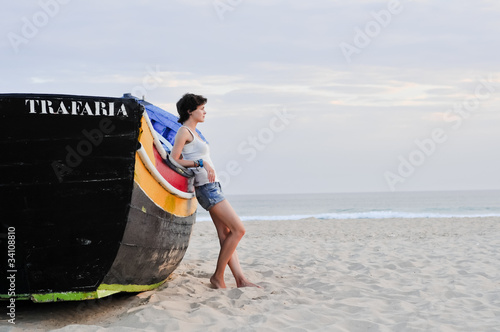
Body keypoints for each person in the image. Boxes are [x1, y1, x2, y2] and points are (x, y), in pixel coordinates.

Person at [170, 93, 258, 289]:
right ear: (189, 111)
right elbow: (174, 159)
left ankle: (240, 280)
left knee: (226, 233)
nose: (204, 111)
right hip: (207, 189)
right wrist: (199, 162)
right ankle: (218, 276)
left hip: (213, 186)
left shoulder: (196, 133)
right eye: (201, 108)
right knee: (239, 230)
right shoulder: (184, 132)